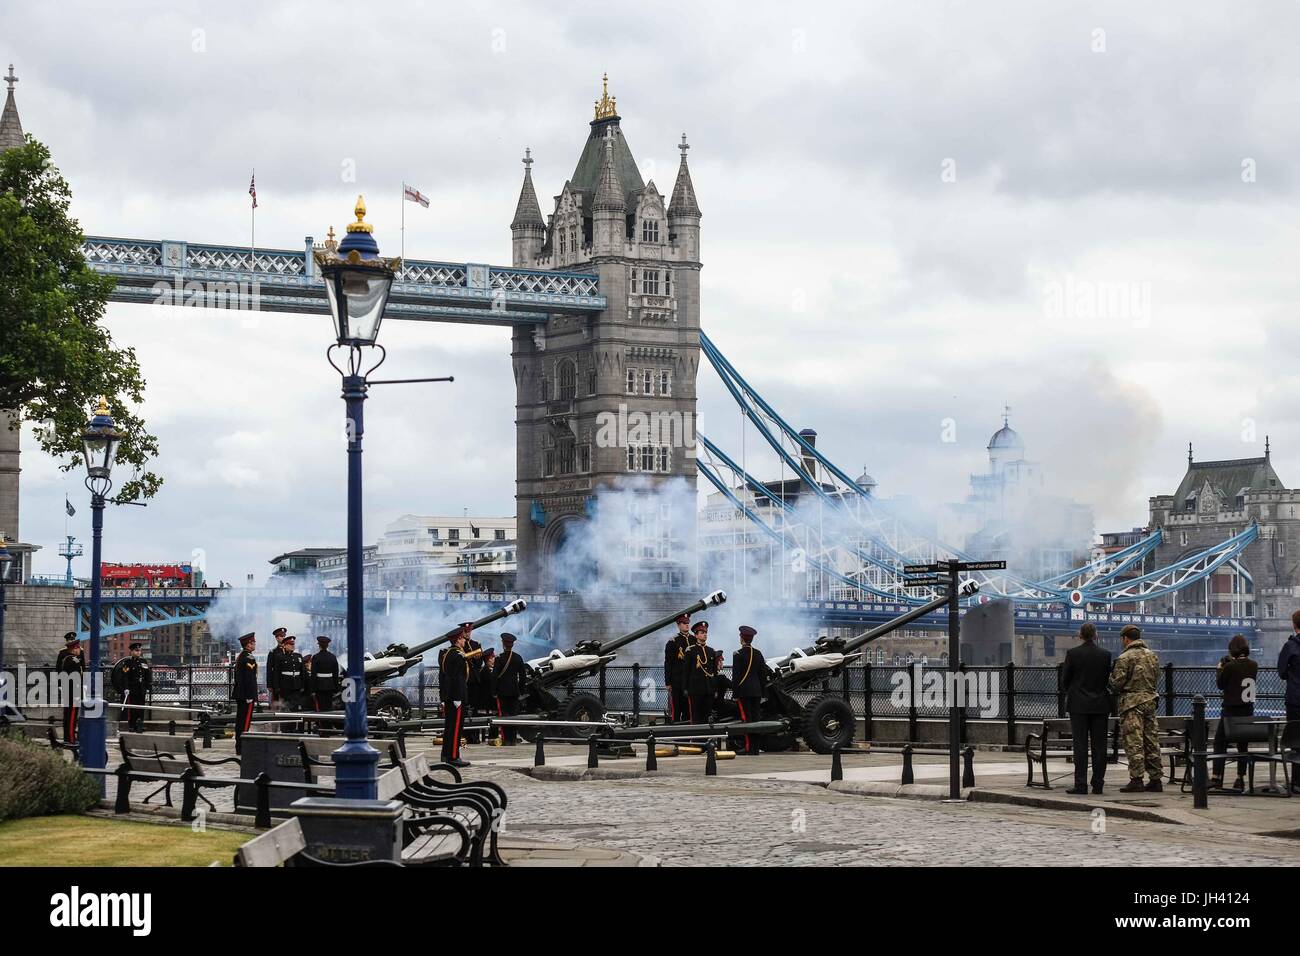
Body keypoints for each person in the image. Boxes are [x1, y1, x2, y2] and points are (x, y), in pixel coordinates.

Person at [1109, 623, 1163, 792]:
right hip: (1150, 700)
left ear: (1125, 638)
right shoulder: (1152, 655)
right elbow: (1157, 677)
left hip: (1132, 704)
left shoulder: (1125, 657)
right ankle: (1156, 779)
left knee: (1134, 742)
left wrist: (1109, 678)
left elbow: (1117, 684)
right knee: (1151, 740)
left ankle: (1137, 779)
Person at [1061, 622, 1111, 794]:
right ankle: (1098, 784)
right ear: (1096, 635)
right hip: (1100, 705)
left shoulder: (1073, 654)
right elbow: (1107, 680)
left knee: (1080, 746)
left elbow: (1065, 680)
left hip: (1078, 706)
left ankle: (1080, 784)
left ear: (1080, 635)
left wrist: (1074, 691)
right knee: (1100, 747)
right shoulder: (1105, 655)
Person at [1211, 633, 1258, 791]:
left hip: (1231, 710)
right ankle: (1240, 777)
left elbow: (1221, 684)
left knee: (1220, 742)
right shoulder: (1254, 665)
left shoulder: (1230, 666)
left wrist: (1220, 669)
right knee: (1242, 745)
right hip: (1247, 710)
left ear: (1232, 649)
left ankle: (1216, 777)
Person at [1276, 610, 1300, 792]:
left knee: (1295, 740)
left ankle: (1297, 782)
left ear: (1294, 624)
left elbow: (1282, 672)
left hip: (1295, 700)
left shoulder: (1290, 646)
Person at [440, 627, 471, 767]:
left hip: (450, 695)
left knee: (449, 727)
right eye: (463, 638)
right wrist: (458, 697)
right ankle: (453, 756)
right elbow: (457, 678)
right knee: (456, 727)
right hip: (456, 696)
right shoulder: (458, 656)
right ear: (458, 639)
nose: (465, 640)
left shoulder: (448, 654)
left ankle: (446, 754)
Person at [493, 633, 525, 745]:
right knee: (514, 715)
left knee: (504, 716)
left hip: (502, 692)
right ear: (512, 645)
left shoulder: (499, 658)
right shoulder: (518, 658)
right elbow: (523, 676)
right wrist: (520, 690)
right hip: (514, 691)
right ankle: (513, 738)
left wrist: (494, 691)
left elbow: (494, 676)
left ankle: (506, 739)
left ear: (503, 643)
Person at [683, 621, 717, 724]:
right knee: (696, 717)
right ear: (696, 635)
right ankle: (696, 739)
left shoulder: (711, 651)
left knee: (707, 717)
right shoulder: (690, 650)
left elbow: (714, 672)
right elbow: (686, 671)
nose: (705, 635)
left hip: (708, 689)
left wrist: (715, 688)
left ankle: (706, 739)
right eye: (702, 633)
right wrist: (685, 688)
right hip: (695, 690)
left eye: (705, 632)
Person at [55, 633, 84, 745]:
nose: (79, 650)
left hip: (69, 691)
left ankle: (68, 737)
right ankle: (71, 738)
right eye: (77, 648)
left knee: (67, 715)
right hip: (73, 692)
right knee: (71, 716)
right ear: (74, 648)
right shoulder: (73, 660)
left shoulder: (68, 658)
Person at [233, 633, 258, 754]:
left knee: (240, 721)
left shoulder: (241, 656)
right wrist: (250, 695)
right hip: (247, 695)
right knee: (245, 721)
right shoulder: (249, 658)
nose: (255, 644)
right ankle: (242, 747)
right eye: (253, 642)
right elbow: (249, 678)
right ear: (249, 644)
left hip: (240, 693)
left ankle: (239, 746)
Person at [664, 613, 691, 722]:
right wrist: (668, 682)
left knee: (688, 709)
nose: (687, 625)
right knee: (677, 708)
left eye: (688, 623)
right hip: (677, 680)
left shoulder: (694, 639)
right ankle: (676, 733)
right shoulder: (673, 641)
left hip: (690, 681)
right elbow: (668, 663)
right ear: (678, 625)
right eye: (684, 623)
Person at [120, 642, 152, 734]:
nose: (138, 652)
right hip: (132, 689)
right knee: (132, 709)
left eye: (139, 651)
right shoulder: (128, 662)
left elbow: (147, 675)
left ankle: (140, 724)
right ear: (132, 651)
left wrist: (147, 686)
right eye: (136, 651)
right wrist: (126, 688)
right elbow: (125, 676)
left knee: (141, 708)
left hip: (141, 689)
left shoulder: (143, 662)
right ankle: (132, 725)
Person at [309, 635, 340, 712]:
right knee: (329, 707)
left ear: (319, 645)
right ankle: (328, 723)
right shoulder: (332, 657)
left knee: (321, 708)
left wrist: (312, 689)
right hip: (330, 685)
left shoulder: (316, 657)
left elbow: (313, 674)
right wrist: (336, 688)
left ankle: (322, 724)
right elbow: (336, 674)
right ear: (327, 645)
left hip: (319, 685)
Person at [276, 635, 306, 712]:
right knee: (286, 707)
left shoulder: (298, 656)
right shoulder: (280, 657)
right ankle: (286, 724)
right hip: (285, 686)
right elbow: (276, 673)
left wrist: (303, 685)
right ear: (285, 645)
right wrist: (277, 687)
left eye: (293, 644)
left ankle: (294, 723)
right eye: (290, 644)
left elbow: (303, 672)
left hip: (296, 685)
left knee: (295, 706)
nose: (293, 646)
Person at [266, 627, 288, 709]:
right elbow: (269, 669)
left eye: (283, 636)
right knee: (276, 703)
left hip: (287, 681)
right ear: (276, 638)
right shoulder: (273, 652)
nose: (282, 638)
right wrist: (269, 684)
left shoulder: (288, 651)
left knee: (288, 703)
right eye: (280, 636)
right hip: (277, 682)